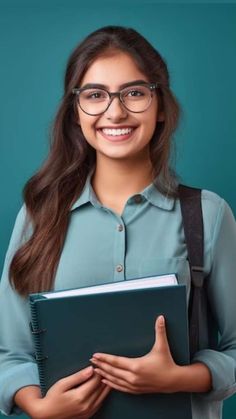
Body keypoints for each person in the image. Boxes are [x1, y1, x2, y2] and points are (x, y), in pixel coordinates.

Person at [0, 25, 236, 419]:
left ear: (160, 106)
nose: (116, 111)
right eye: (95, 95)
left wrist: (182, 378)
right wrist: (37, 405)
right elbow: (9, 353)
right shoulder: (38, 216)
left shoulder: (208, 215)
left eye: (134, 93)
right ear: (75, 113)